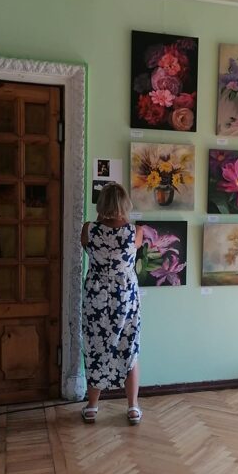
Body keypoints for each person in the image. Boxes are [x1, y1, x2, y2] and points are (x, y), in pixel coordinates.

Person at [80, 182, 143, 425]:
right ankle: (132, 407)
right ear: (125, 204)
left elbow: (88, 244)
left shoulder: (89, 229)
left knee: (95, 347)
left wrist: (101, 218)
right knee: (128, 347)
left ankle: (92, 406)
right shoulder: (135, 232)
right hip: (124, 296)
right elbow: (130, 245)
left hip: (96, 296)